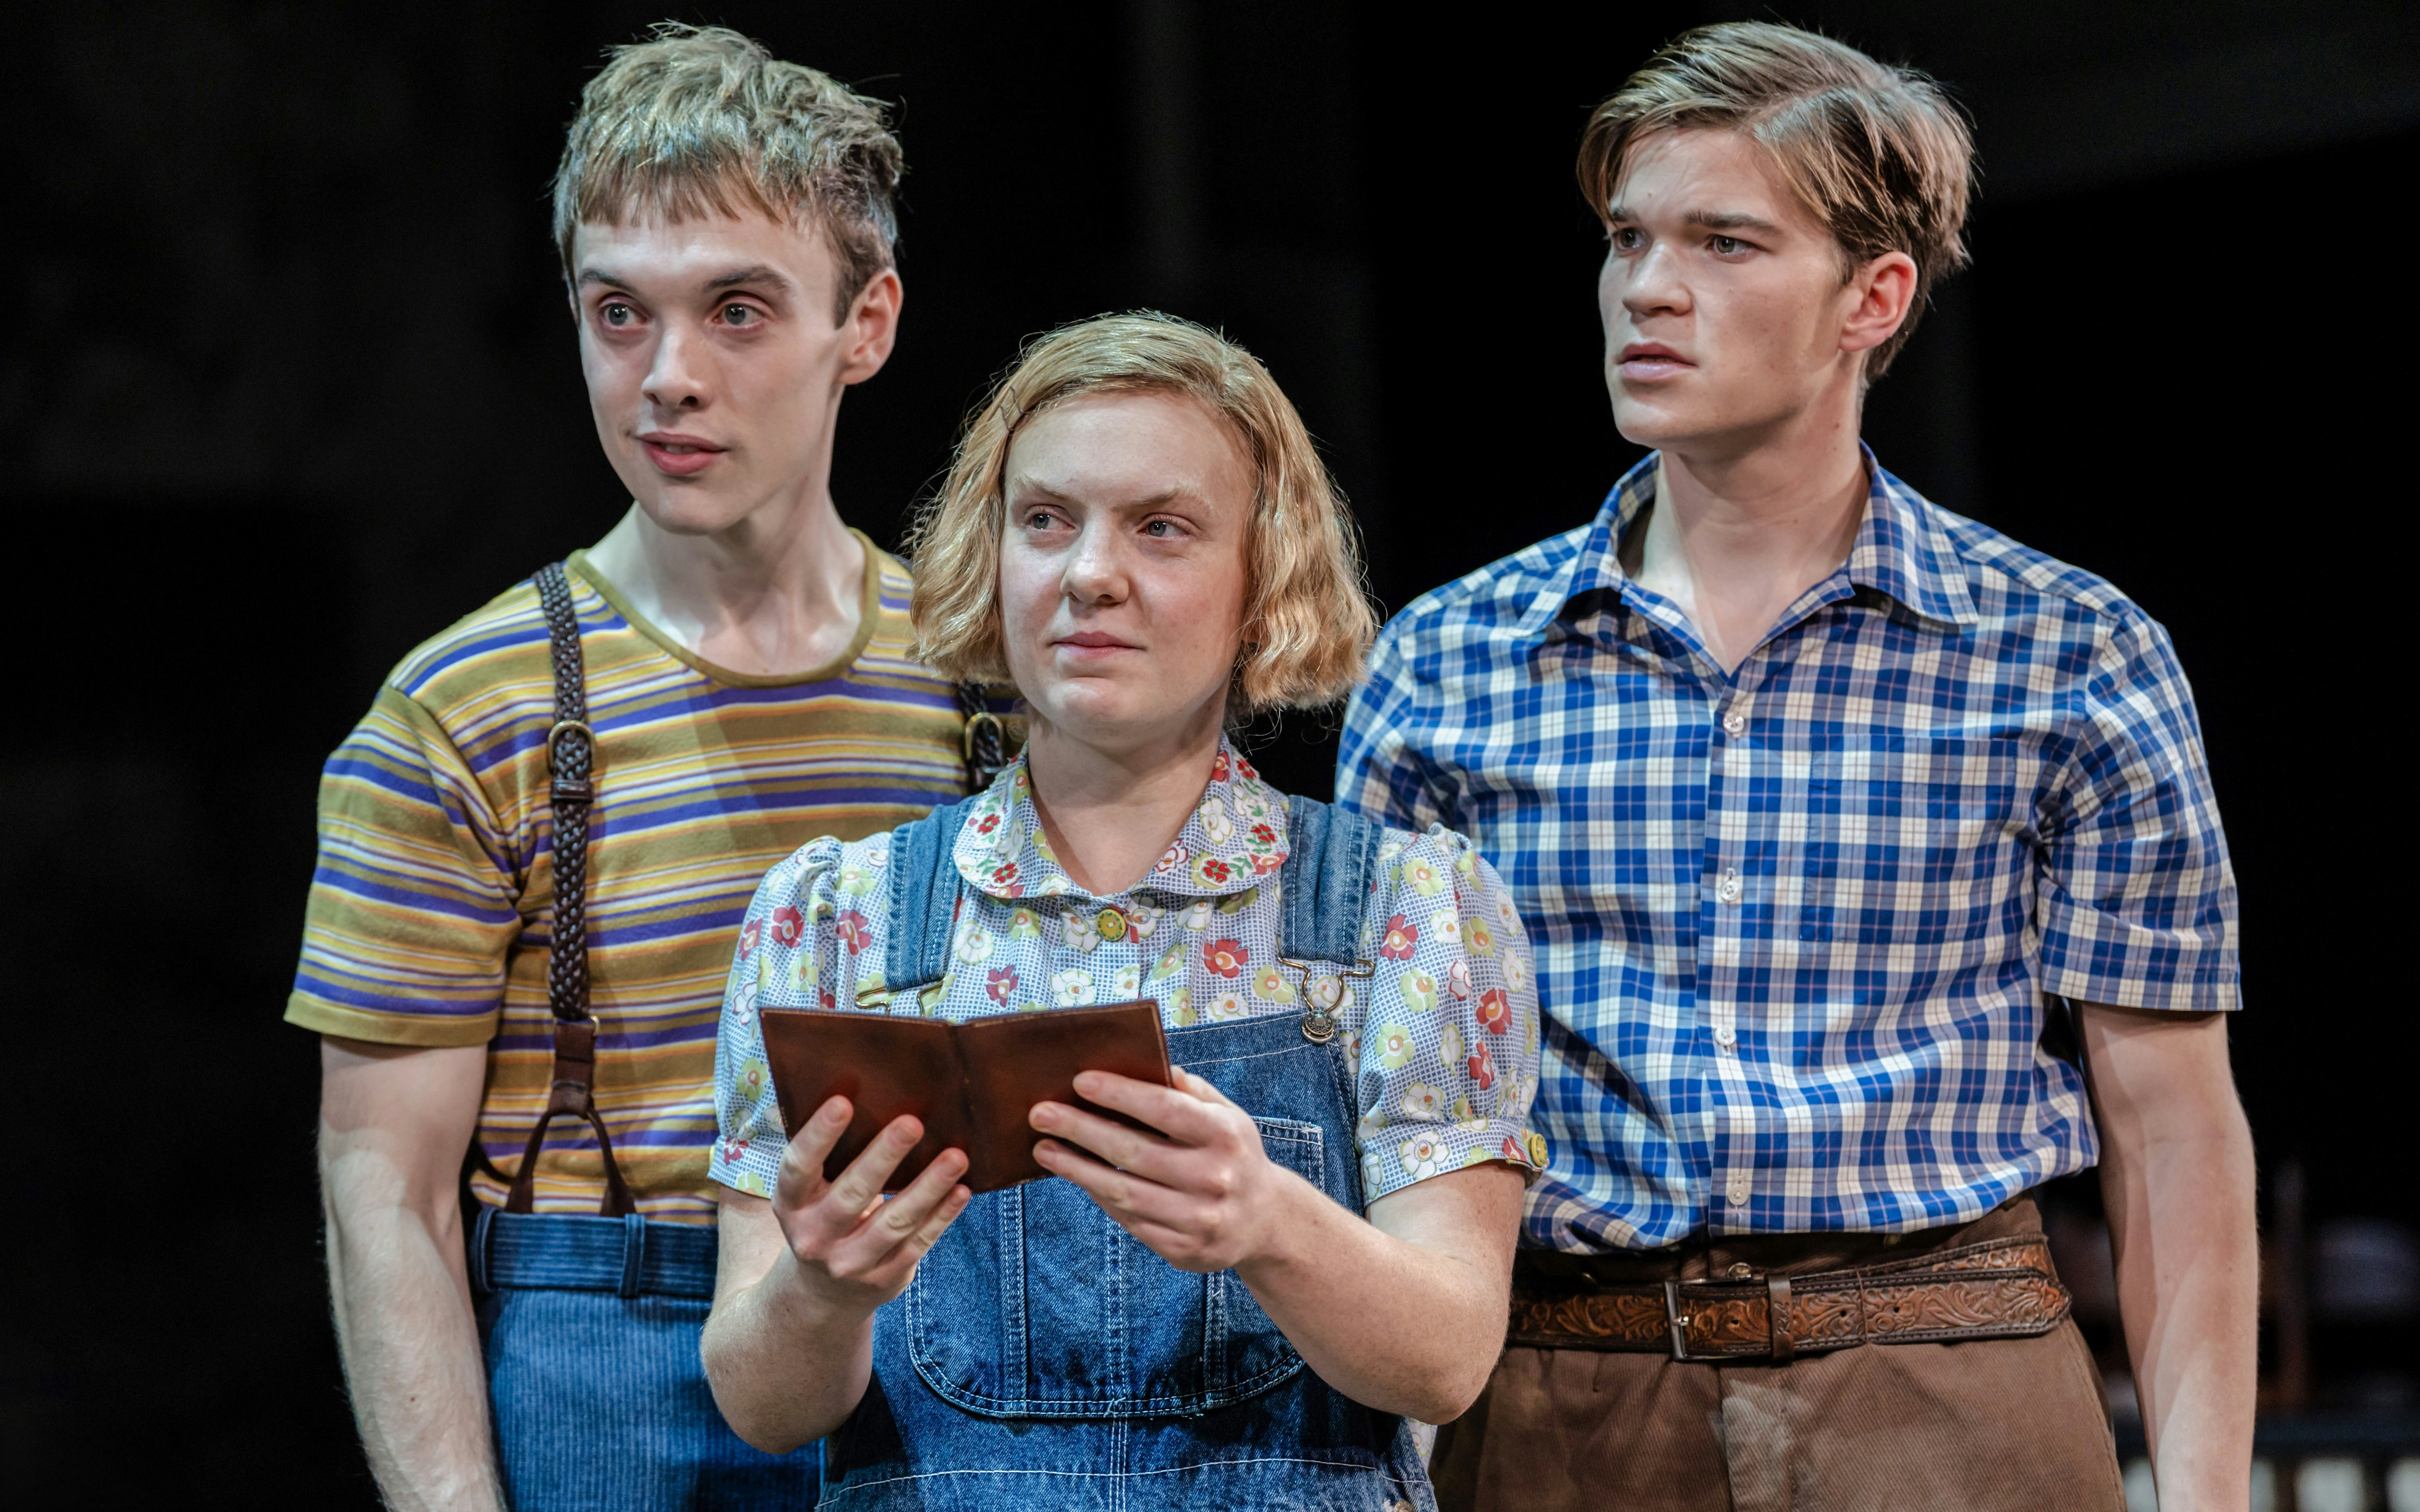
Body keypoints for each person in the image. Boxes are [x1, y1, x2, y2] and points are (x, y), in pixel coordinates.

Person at [1337, 21, 2254, 1512]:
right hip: (1567, 1386)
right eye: (1628, 238)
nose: (1647, 287)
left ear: (1872, 298)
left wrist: (2208, 1497)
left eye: (1724, 241)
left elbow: (2170, 1123)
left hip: (1949, 1374)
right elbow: (1390, 1111)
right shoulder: (1449, 662)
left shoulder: (2068, 648)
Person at [289, 25, 1004, 1510]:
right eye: (621, 314)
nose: (667, 376)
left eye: (737, 310)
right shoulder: (461, 713)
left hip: (945, 1357)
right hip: (615, 1356)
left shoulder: (980, 674)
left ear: (864, 325)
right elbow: (388, 1195)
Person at [700, 312, 1548, 1511]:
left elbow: (1451, 1356)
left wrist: (1270, 1223)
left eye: (1163, 528)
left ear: (1265, 577)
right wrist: (825, 1290)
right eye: (1047, 521)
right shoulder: (833, 919)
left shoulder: (1402, 913)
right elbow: (762, 1403)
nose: (1092, 573)